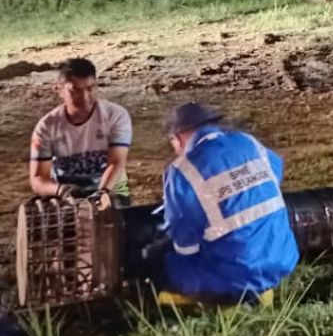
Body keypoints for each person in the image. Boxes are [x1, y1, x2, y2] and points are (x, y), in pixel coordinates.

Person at [155, 102, 300, 307]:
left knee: (169, 265)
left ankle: (219, 303)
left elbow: (185, 243)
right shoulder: (250, 142)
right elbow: (275, 172)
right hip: (282, 256)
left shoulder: (182, 170)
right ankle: (262, 293)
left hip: (236, 274)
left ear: (176, 139)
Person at [28, 58, 132, 204]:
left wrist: (102, 193)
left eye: (90, 89)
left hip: (110, 189)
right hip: (67, 195)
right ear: (59, 90)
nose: (84, 97)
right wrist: (61, 190)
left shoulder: (115, 115)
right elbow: (38, 179)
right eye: (75, 90)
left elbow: (116, 161)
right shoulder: (47, 127)